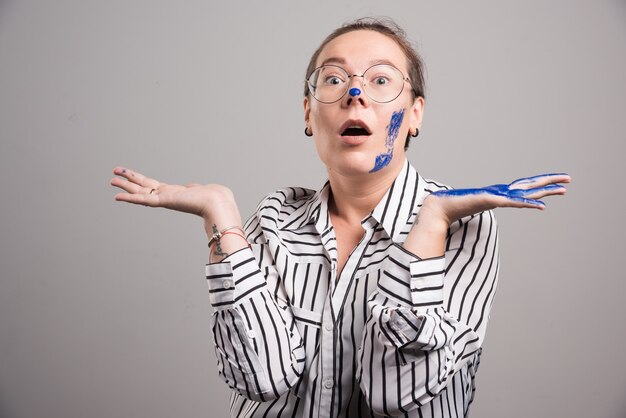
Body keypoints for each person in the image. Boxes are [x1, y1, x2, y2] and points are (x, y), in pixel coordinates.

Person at [111, 18, 569, 418]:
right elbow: (260, 379)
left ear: (415, 114)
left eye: (381, 81)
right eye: (333, 79)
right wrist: (220, 219)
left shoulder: (464, 225)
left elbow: (396, 392)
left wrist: (428, 227)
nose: (355, 94)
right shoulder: (274, 220)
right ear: (309, 112)